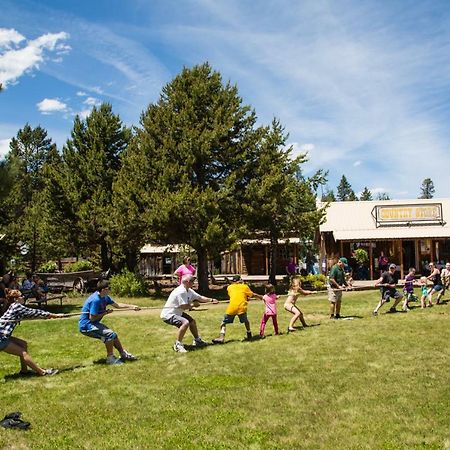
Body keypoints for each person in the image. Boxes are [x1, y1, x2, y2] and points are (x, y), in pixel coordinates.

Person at [0, 289, 64, 376]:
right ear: (16, 299)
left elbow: (30, 314)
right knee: (23, 352)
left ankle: (24, 371)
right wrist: (53, 315)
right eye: (22, 296)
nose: (23, 297)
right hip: (1, 338)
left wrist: (48, 316)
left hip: (4, 336)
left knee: (23, 344)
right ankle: (42, 372)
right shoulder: (16, 306)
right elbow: (34, 312)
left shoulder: (13, 306)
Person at [78, 280, 140, 365]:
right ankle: (110, 358)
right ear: (103, 290)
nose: (110, 290)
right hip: (86, 326)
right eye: (109, 288)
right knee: (109, 335)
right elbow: (92, 318)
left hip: (93, 323)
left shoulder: (105, 297)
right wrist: (105, 313)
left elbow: (117, 305)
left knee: (113, 335)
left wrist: (132, 306)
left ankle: (123, 354)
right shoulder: (95, 300)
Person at [161, 274, 218, 353]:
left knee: (192, 322)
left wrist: (211, 300)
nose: (194, 283)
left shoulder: (189, 290)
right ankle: (178, 345)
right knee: (185, 322)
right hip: (169, 314)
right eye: (192, 281)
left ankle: (197, 341)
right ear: (187, 282)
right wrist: (193, 305)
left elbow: (200, 298)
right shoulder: (181, 291)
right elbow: (183, 306)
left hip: (178, 312)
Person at [213, 275, 263, 344]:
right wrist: (260, 297)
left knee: (223, 323)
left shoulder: (229, 287)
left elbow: (234, 294)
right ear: (240, 280)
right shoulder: (244, 286)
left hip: (232, 307)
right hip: (241, 307)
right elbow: (252, 294)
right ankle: (249, 334)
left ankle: (221, 337)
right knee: (246, 321)